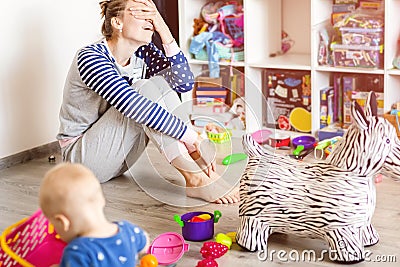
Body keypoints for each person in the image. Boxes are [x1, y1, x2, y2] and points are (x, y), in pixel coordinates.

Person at [56, 0, 239, 204]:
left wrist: (163, 28)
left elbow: (184, 83)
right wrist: (192, 137)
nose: (150, 19)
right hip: (81, 162)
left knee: (159, 84)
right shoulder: (91, 57)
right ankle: (193, 178)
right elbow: (132, 105)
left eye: (152, 14)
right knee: (142, 89)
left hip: (117, 159)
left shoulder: (143, 53)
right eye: (141, 12)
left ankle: (199, 172)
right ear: (117, 22)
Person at [39, 163, 149, 266]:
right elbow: (145, 243)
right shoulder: (128, 231)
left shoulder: (77, 253)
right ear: (102, 200)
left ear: (63, 222)